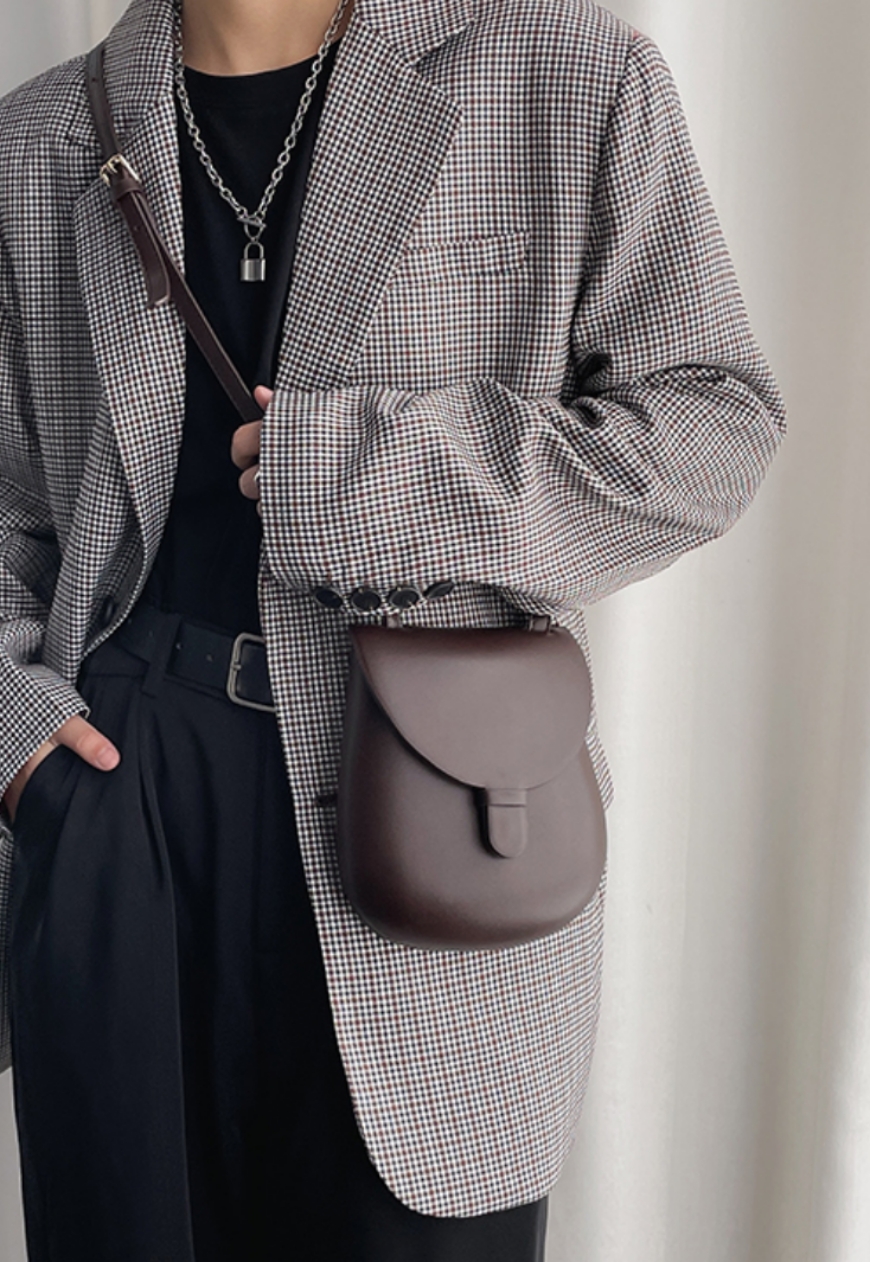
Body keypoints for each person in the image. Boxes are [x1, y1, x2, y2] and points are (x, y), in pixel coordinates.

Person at [0, 0, 786, 1257]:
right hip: (117, 790)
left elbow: (713, 424)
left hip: (436, 786)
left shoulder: (569, 72)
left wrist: (377, 474)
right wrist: (23, 744)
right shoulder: (40, 138)